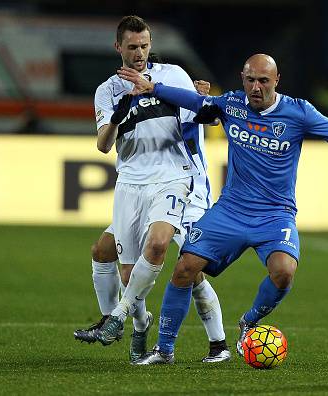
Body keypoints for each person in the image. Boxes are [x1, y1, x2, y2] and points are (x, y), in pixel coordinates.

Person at [106, 53, 328, 365]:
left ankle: (249, 321)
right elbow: (195, 102)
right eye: (251, 80)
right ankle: (164, 350)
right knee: (185, 267)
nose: (256, 87)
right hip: (231, 210)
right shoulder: (231, 104)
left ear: (277, 81)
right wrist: (154, 88)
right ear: (243, 80)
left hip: (275, 214)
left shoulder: (299, 113)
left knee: (284, 273)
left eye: (264, 81)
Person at [83, 15, 230, 363]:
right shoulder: (107, 90)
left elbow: (202, 113)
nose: (139, 53)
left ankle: (216, 342)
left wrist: (201, 101)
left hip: (178, 179)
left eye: (145, 46)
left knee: (185, 263)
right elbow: (104, 146)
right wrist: (119, 115)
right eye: (132, 47)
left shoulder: (171, 74)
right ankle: (135, 322)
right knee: (121, 265)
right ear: (118, 47)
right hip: (133, 183)